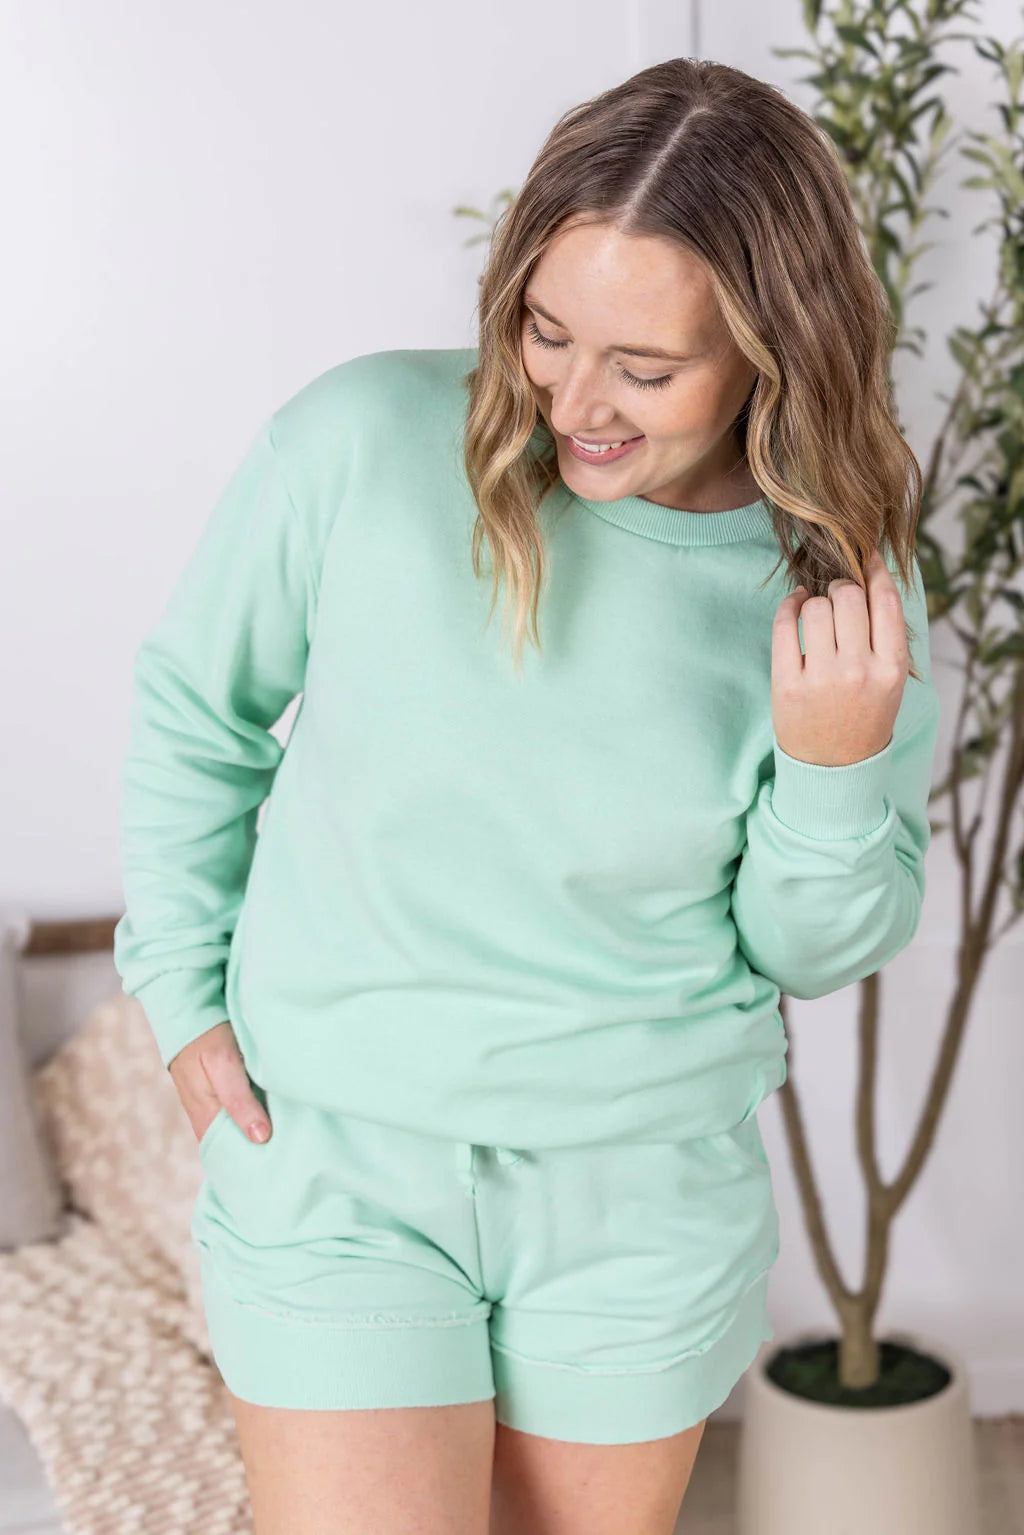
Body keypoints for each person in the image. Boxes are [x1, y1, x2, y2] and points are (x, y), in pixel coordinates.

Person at [113, 55, 941, 1535]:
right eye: (546, 332)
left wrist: (833, 764)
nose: (575, 400)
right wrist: (181, 992)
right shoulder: (359, 442)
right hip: (339, 1165)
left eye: (647, 368)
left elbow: (813, 950)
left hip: (643, 1201)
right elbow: (197, 711)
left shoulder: (837, 577)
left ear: (775, 348)